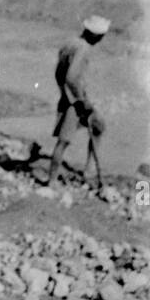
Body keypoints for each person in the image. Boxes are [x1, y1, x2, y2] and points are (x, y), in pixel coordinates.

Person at [45, 16, 110, 190]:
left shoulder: (70, 43)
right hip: (76, 102)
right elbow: (71, 77)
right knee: (64, 141)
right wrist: (80, 100)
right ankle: (51, 180)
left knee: (98, 127)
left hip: (69, 98)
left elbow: (59, 73)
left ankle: (89, 170)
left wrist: (64, 93)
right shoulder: (83, 48)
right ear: (95, 36)